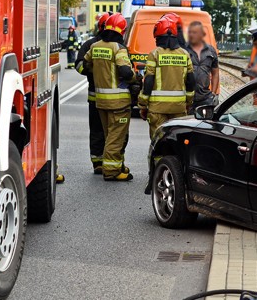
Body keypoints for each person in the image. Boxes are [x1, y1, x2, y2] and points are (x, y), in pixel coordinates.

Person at [83, 13, 135, 181]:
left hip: (101, 101)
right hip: (118, 102)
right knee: (116, 136)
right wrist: (135, 77)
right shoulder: (118, 48)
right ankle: (112, 171)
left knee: (108, 135)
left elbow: (85, 64)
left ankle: (116, 165)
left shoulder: (95, 46)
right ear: (122, 31)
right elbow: (126, 72)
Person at [138, 13, 195, 138]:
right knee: (176, 139)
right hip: (178, 108)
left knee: (158, 140)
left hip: (157, 108)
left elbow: (148, 81)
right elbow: (191, 81)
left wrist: (143, 104)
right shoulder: (184, 54)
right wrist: (188, 102)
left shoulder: (154, 54)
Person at [75, 13, 110, 173]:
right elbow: (79, 65)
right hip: (104, 97)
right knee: (103, 130)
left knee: (105, 131)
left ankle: (107, 161)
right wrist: (92, 70)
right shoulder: (91, 44)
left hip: (100, 96)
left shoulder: (91, 45)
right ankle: (99, 162)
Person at [184, 21, 220, 111]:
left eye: (194, 33)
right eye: (190, 32)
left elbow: (215, 73)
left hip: (205, 98)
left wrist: (213, 93)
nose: (191, 35)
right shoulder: (183, 50)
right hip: (187, 98)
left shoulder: (211, 50)